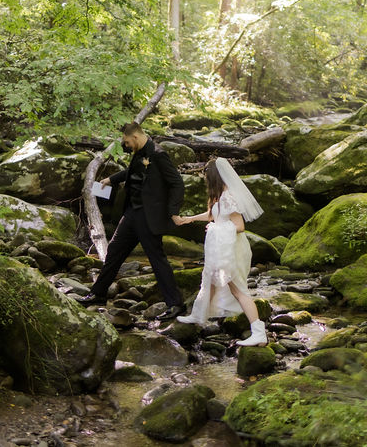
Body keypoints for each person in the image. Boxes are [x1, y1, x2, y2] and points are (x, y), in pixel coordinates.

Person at [79, 122, 186, 320]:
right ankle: (98, 293)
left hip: (148, 217)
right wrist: (111, 179)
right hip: (131, 214)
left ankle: (176, 304)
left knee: (156, 259)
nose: (126, 146)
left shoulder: (158, 154)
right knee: (114, 251)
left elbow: (177, 184)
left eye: (127, 142)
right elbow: (133, 172)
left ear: (135, 137)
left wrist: (172, 211)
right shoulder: (139, 152)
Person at [175, 157, 268, 346]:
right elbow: (215, 215)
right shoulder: (220, 195)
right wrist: (190, 219)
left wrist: (215, 229)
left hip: (232, 249)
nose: (204, 179)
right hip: (223, 247)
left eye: (206, 176)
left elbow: (239, 226)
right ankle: (197, 315)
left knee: (238, 290)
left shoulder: (228, 197)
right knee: (209, 280)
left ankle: (259, 332)